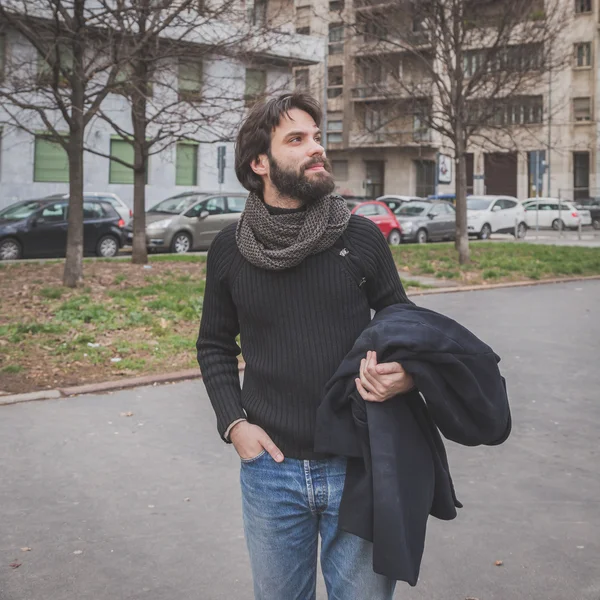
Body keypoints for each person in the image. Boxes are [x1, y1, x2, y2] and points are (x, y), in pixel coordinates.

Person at [197, 92, 414, 600]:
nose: (317, 148)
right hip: (270, 473)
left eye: (318, 137)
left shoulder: (360, 239)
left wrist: (406, 373)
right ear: (259, 162)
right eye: (296, 139)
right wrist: (235, 424)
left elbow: (402, 323)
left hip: (358, 463)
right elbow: (213, 344)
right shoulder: (230, 251)